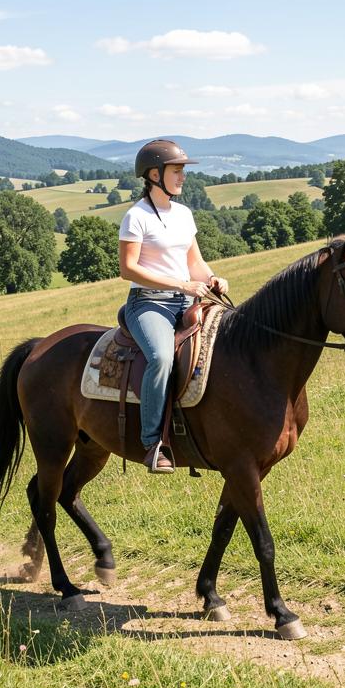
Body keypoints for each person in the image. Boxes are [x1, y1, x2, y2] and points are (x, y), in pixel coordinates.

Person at [118, 139, 229, 473]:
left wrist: (212, 278)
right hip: (148, 304)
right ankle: (153, 443)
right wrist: (181, 284)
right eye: (176, 171)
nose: (183, 177)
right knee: (162, 357)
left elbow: (194, 262)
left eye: (182, 171)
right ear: (154, 175)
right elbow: (128, 269)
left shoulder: (183, 214)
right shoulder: (136, 216)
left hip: (186, 301)